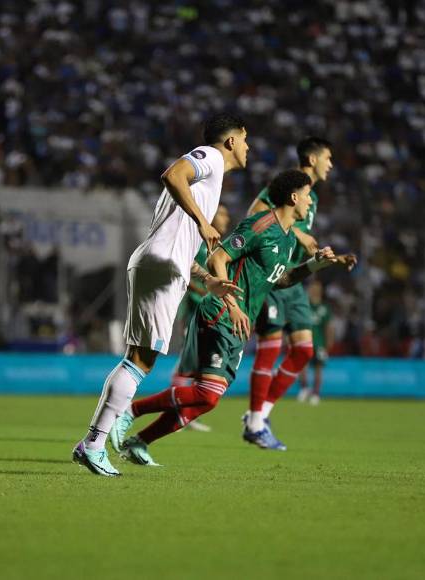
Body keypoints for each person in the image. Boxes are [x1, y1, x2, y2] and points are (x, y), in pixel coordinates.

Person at [110, 170, 336, 466]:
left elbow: (280, 280)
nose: (310, 201)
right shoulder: (261, 224)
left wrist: (314, 265)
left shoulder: (285, 236)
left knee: (207, 400)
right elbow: (218, 257)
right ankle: (128, 412)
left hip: (240, 323)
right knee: (207, 393)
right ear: (294, 197)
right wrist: (230, 302)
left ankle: (139, 442)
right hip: (221, 313)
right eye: (307, 195)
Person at [73, 113, 249, 476]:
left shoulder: (209, 183)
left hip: (162, 263)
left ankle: (93, 443)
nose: (249, 148)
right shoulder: (210, 157)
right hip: (161, 266)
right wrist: (203, 221)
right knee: (139, 362)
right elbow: (172, 174)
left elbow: (177, 240)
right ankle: (93, 444)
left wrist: (207, 279)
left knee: (138, 358)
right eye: (246, 140)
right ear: (231, 140)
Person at [243, 137, 356, 450]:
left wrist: (331, 258)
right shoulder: (286, 185)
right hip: (273, 276)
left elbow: (298, 237)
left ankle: (261, 415)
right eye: (328, 158)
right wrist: (300, 233)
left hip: (295, 279)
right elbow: (256, 217)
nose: (331, 164)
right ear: (311, 158)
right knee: (270, 347)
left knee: (304, 350)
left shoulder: (312, 197)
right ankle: (254, 421)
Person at [172, 203, 232, 432]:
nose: (226, 218)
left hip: (210, 313)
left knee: (199, 363)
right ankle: (178, 407)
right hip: (195, 313)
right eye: (222, 213)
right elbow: (184, 270)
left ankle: (187, 412)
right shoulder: (199, 243)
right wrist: (207, 290)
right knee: (189, 362)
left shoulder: (219, 247)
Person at [296, 280, 333, 405]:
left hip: (319, 343)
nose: (313, 291)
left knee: (318, 369)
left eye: (316, 288)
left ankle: (316, 393)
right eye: (312, 288)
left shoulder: (324, 308)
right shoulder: (304, 306)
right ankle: (304, 388)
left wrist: (328, 344)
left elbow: (328, 328)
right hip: (304, 341)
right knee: (302, 367)